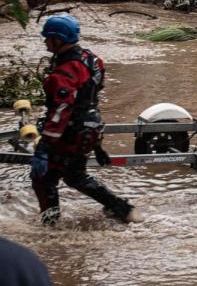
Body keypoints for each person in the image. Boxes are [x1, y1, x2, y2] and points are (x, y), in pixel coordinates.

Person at [31, 15, 142, 226]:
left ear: (58, 40)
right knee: (75, 175)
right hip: (89, 127)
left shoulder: (64, 72)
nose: (45, 42)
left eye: (48, 38)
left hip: (70, 132)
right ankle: (122, 209)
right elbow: (91, 96)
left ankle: (50, 227)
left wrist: (44, 147)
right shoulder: (92, 60)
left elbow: (62, 109)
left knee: (44, 179)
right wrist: (97, 144)